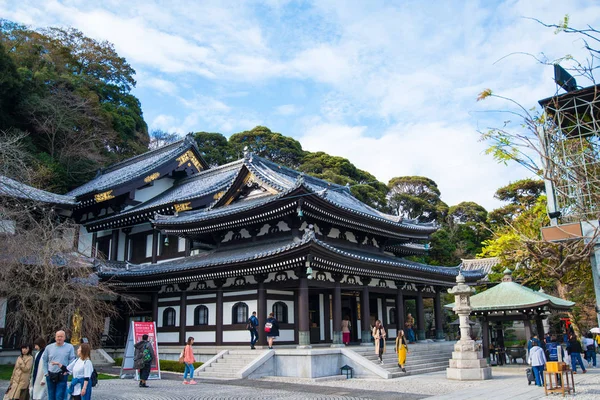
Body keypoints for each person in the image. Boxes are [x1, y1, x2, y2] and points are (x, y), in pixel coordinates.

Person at [43, 330, 76, 400]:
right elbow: (44, 360)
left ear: (64, 338)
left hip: (62, 375)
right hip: (50, 374)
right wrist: (46, 373)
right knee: (51, 395)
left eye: (61, 336)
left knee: (59, 396)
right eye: (58, 336)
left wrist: (67, 371)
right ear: (55, 338)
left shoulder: (69, 347)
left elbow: (72, 360)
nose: (59, 338)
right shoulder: (49, 347)